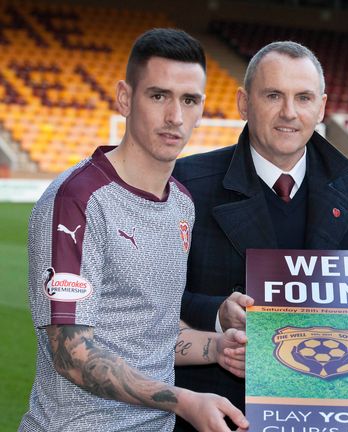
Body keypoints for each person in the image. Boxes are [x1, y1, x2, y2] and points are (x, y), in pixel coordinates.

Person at [20, 29, 249, 432]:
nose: (175, 116)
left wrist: (217, 347)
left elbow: (152, 331)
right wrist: (184, 401)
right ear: (125, 98)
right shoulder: (78, 200)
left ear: (202, 109)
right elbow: (71, 351)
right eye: (158, 96)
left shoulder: (181, 203)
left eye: (189, 100)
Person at [172, 40, 348, 429]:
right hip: (219, 414)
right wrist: (216, 313)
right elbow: (150, 302)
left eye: (303, 98)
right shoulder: (189, 184)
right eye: (273, 95)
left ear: (321, 106)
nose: (289, 113)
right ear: (244, 103)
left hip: (319, 406)